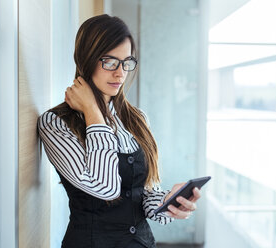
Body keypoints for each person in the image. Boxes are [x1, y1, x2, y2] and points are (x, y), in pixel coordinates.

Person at [38, 14, 201, 248]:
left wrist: (168, 202)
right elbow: (105, 187)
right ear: (86, 59)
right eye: (110, 62)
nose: (120, 73)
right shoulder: (56, 123)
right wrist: (94, 113)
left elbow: (141, 194)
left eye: (126, 62)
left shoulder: (136, 119)